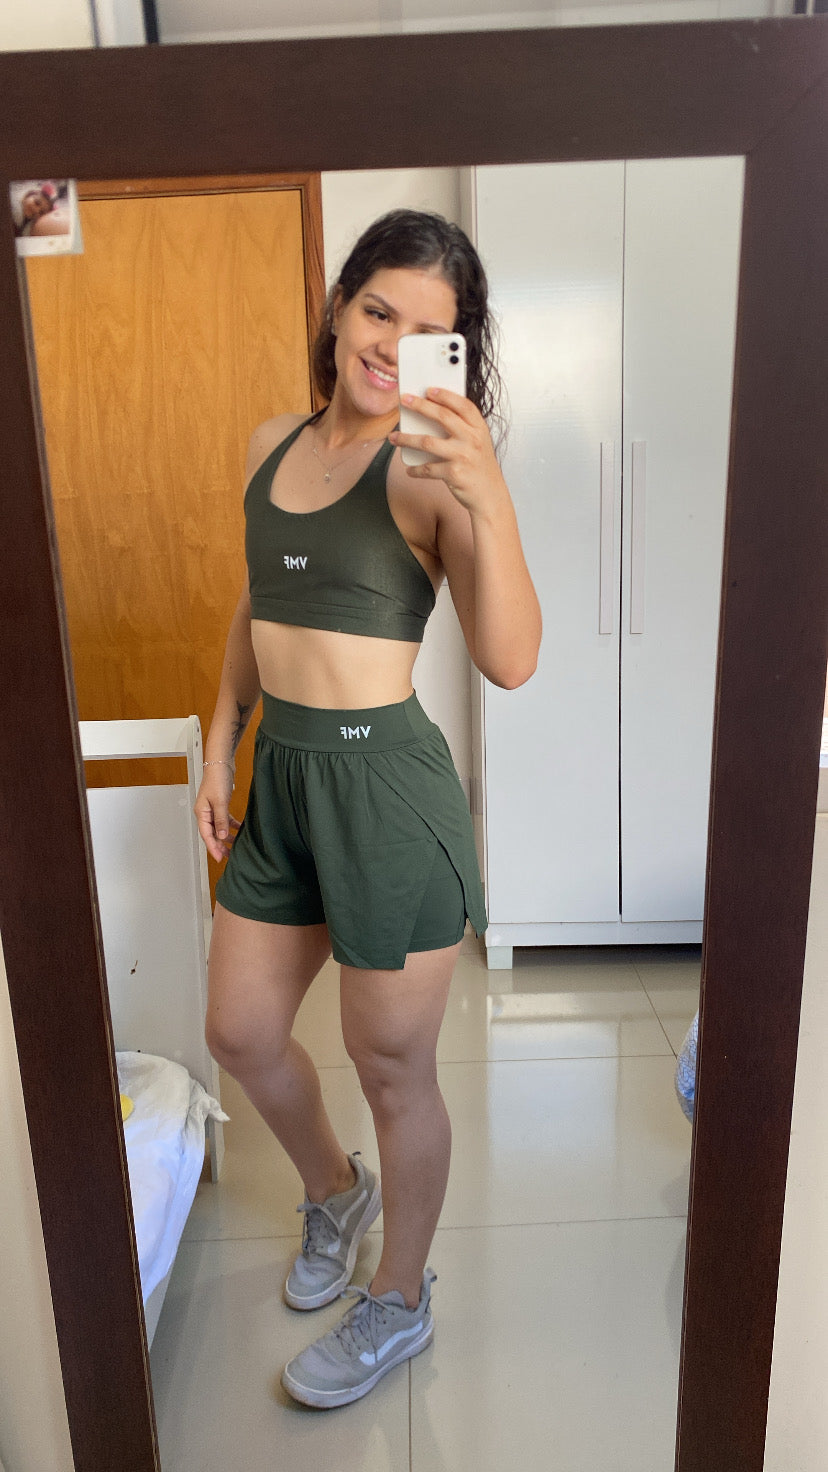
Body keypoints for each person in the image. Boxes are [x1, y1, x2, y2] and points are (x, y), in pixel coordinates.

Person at [194, 208, 541, 1409]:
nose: (392, 343)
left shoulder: (431, 474)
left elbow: (512, 658)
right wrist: (218, 739)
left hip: (386, 790)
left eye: (428, 328)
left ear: (458, 350)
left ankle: (398, 1295)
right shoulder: (269, 443)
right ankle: (336, 1191)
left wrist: (488, 494)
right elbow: (256, 604)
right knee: (240, 1030)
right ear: (340, 305)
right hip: (282, 779)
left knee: (391, 1064)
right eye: (379, 309)